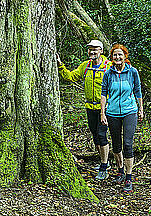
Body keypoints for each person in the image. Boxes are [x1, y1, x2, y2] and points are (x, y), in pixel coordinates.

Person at [57, 39, 113, 180]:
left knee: (102, 135)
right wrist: (59, 64)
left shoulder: (109, 66)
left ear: (101, 50)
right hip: (90, 107)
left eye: (95, 49)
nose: (92, 52)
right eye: (90, 49)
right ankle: (103, 161)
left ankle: (104, 166)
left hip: (104, 108)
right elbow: (70, 77)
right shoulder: (85, 66)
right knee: (95, 136)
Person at [100, 44, 144, 192]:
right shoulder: (108, 74)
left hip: (129, 111)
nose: (117, 57)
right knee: (116, 144)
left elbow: (138, 90)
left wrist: (141, 109)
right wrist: (102, 112)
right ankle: (120, 170)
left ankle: (129, 177)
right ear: (111, 58)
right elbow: (104, 93)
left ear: (125, 56)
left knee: (127, 143)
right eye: (115, 55)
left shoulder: (132, 72)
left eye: (120, 55)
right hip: (112, 112)